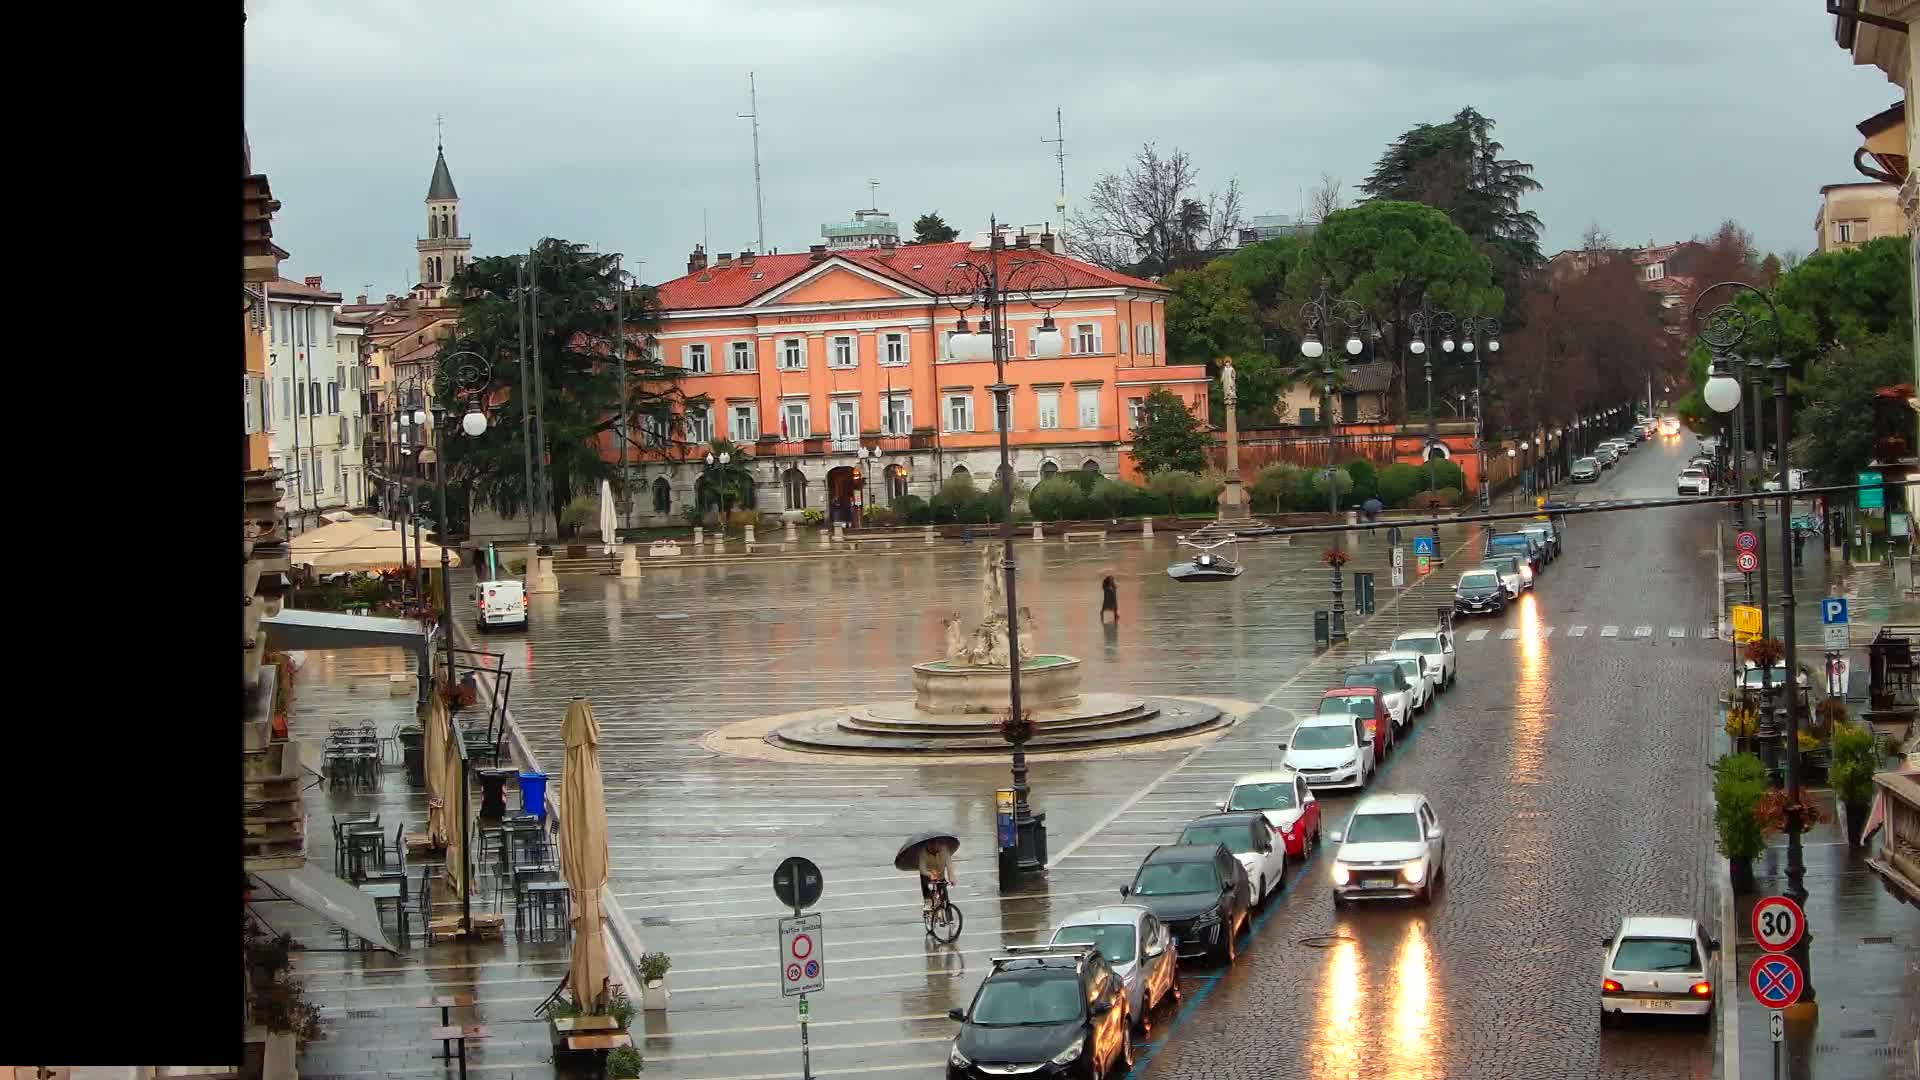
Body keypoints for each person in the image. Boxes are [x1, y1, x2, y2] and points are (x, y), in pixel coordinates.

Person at [918, 839, 955, 914]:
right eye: (931, 844)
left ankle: (950, 919)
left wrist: (952, 878)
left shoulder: (944, 849)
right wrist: (930, 874)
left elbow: (949, 865)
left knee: (945, 896)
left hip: (940, 874)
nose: (934, 846)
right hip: (928, 874)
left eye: (936, 843)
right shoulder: (923, 852)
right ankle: (928, 902)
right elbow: (922, 869)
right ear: (927, 844)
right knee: (925, 882)